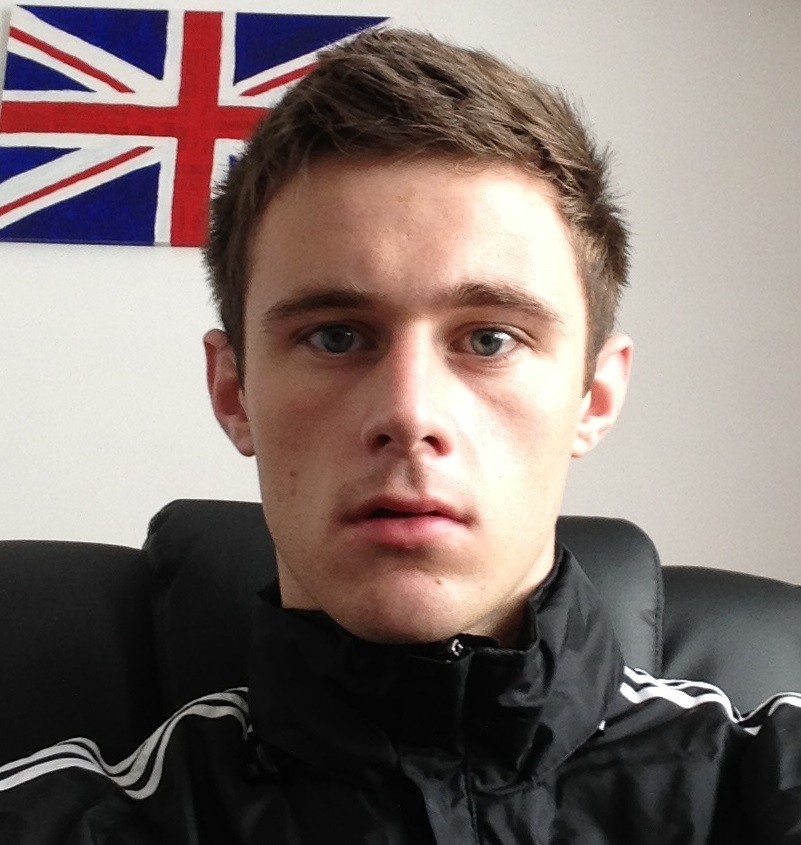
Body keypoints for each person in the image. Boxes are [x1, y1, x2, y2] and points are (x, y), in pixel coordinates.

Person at [1, 26, 799, 845]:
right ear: (233, 390)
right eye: (335, 336)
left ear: (592, 395)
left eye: (489, 338)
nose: (410, 413)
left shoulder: (766, 782)